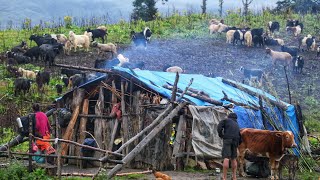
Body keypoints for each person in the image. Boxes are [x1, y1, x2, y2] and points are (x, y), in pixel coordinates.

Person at [217, 112, 242, 180]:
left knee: (226, 158)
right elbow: (240, 135)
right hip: (236, 140)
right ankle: (234, 177)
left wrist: (221, 135)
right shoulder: (237, 124)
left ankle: (224, 177)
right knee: (233, 158)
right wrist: (238, 143)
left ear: (229, 117)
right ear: (235, 118)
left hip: (228, 139)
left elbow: (219, 127)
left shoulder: (226, 120)